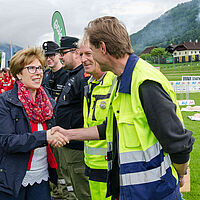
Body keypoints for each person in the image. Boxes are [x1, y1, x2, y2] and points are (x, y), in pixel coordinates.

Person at [52, 16, 195, 200]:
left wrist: (181, 174)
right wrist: (69, 134)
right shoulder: (121, 79)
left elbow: (178, 144)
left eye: (91, 51)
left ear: (102, 48)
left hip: (155, 192)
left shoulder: (144, 82)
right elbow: (111, 128)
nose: (88, 58)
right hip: (131, 190)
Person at [0, 47, 68, 200]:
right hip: (14, 178)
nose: (38, 73)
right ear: (18, 73)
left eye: (40, 68)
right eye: (31, 68)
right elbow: (7, 142)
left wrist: (59, 136)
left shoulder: (47, 101)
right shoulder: (5, 102)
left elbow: (53, 131)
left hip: (42, 177)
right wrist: (45, 137)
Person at [78, 38, 116, 199]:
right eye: (80, 54)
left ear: (102, 52)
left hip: (110, 167)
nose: (83, 59)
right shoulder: (90, 83)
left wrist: (69, 134)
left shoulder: (115, 82)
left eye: (88, 53)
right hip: (92, 164)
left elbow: (110, 128)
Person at [55, 36, 91, 200]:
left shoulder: (84, 77)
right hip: (68, 142)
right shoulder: (73, 75)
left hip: (78, 144)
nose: (60, 56)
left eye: (63, 52)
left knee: (83, 191)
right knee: (73, 188)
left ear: (76, 53)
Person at [42, 41, 75, 200]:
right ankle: (56, 193)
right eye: (46, 55)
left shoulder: (67, 75)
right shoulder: (46, 76)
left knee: (64, 168)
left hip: (63, 130)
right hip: (48, 128)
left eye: (52, 55)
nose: (49, 59)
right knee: (51, 166)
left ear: (59, 56)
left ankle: (66, 195)